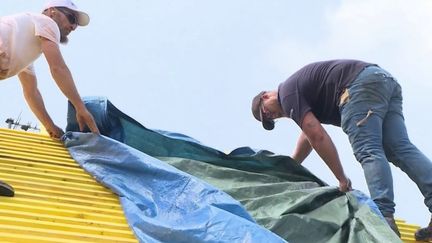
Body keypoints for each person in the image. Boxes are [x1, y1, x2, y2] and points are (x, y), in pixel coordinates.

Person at [251, 59, 432, 240]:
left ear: (265, 96)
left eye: (266, 112)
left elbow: (318, 136)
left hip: (357, 86)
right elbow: (309, 134)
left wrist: (341, 179)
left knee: (368, 149)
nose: (272, 117)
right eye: (269, 120)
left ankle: (384, 217)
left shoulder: (287, 95)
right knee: (400, 149)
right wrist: (291, 165)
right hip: (381, 80)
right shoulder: (296, 94)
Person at [0, 0, 100, 197]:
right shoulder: (46, 23)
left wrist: (49, 125)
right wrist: (80, 107)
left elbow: (31, 92)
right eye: (71, 18)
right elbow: (58, 68)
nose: (73, 27)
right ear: (52, 12)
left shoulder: (24, 43)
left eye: (75, 25)